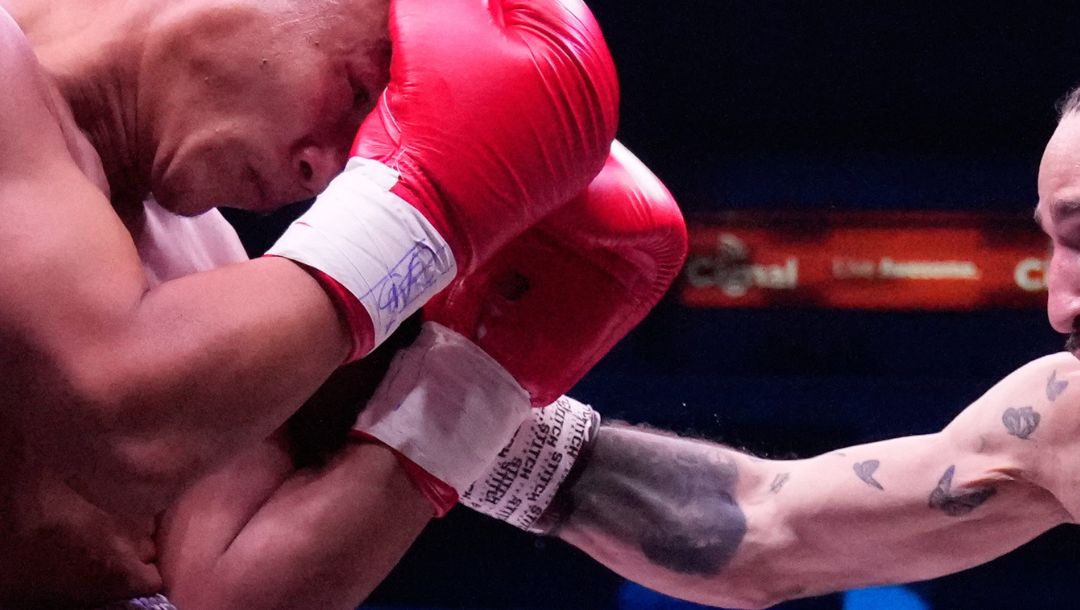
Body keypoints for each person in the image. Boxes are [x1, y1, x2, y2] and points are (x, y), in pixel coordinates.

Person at [0, 0, 623, 606]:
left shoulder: (206, 265)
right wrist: (425, 216)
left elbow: (220, 595)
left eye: (358, 160)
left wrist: (478, 373)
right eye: (355, 91)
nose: (320, 174)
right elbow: (124, 424)